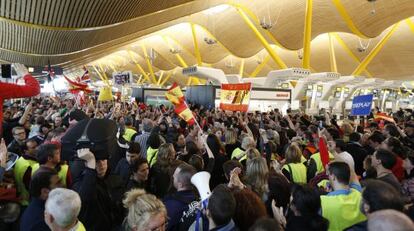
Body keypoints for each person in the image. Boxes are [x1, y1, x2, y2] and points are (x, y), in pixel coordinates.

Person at [73, 148, 124, 230]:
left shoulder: (115, 178)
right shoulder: (81, 184)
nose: (101, 164)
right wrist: (91, 169)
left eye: (104, 160)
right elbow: (85, 199)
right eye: (96, 161)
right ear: (88, 164)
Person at [320, 162, 366, 231]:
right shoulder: (358, 192)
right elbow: (353, 175)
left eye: (329, 175)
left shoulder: (322, 202)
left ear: (333, 176)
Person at [163, 163, 197, 231]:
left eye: (175, 176)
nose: (172, 176)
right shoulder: (198, 198)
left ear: (180, 184)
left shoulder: (169, 205)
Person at [13, 138, 39, 206]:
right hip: (28, 200)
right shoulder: (28, 167)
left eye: (37, 146)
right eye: (33, 147)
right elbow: (31, 187)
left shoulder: (21, 159)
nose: (37, 148)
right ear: (25, 151)